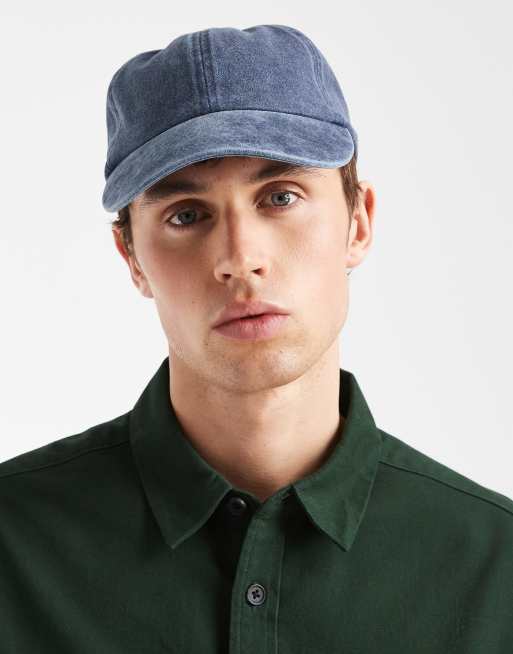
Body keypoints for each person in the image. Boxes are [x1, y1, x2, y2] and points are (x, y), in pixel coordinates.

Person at [1, 24, 512, 652]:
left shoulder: (496, 571)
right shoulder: (13, 549)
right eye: (187, 214)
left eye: (281, 197)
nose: (240, 259)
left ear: (358, 222)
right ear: (132, 258)